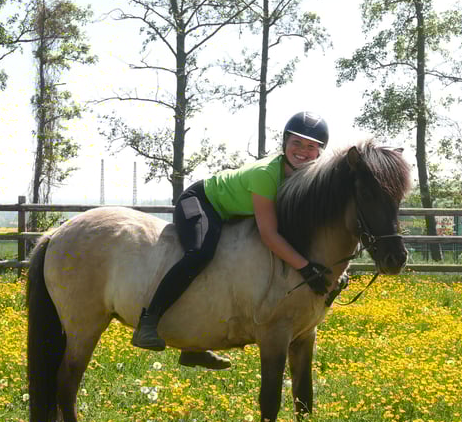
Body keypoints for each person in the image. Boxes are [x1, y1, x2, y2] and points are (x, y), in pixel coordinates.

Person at [131, 111, 332, 369]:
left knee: (221, 266)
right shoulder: (266, 173)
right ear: (285, 142)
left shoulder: (306, 179)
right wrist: (305, 268)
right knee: (200, 253)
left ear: (320, 152)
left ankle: (193, 347)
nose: (303, 151)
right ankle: (148, 320)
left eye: (311, 146)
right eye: (297, 142)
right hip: (201, 201)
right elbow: (269, 234)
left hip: (231, 212)